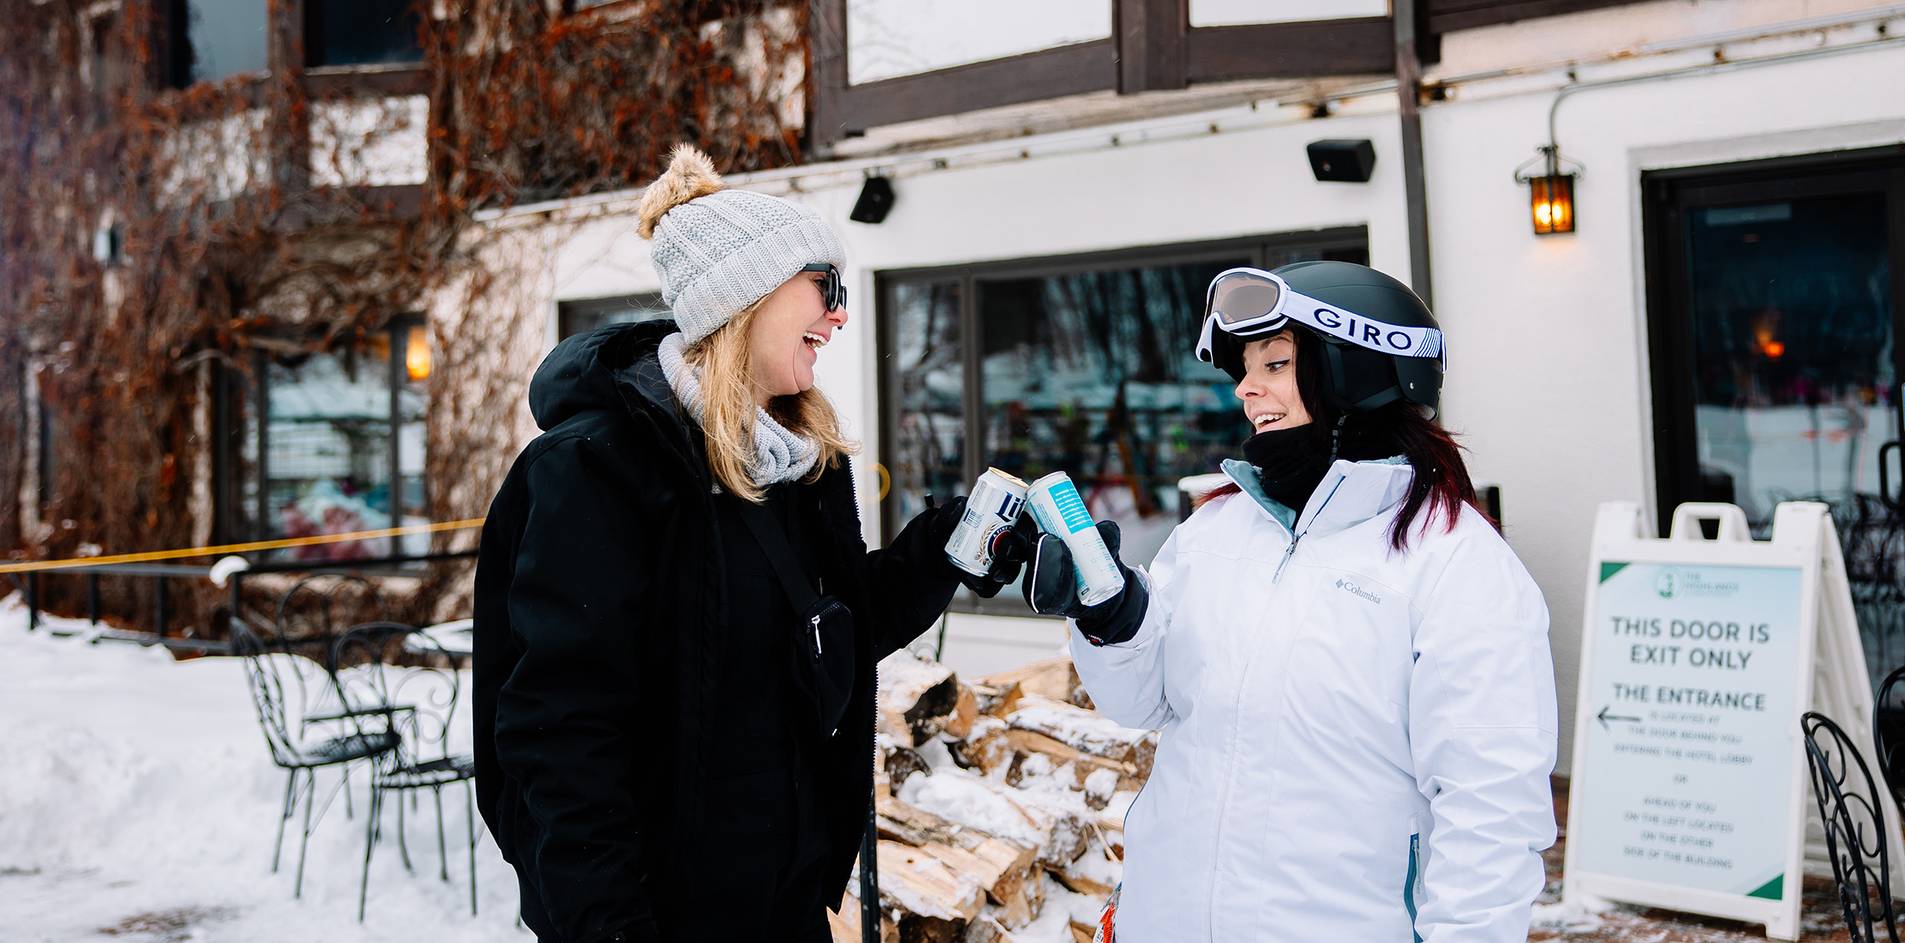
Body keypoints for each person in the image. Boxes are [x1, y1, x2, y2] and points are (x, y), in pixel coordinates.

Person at [471, 145, 1025, 942]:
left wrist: (943, 548)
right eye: (825, 287)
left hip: (784, 905)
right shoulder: (597, 471)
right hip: (661, 918)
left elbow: (827, 630)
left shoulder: (789, 460)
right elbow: (561, 738)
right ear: (749, 295)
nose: (839, 315)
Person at [1022, 261, 1558, 941]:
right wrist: (1112, 617)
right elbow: (1142, 702)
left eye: (1275, 362)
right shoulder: (1216, 532)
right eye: (1246, 367)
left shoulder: (1455, 564)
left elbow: (1491, 812)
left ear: (1357, 371)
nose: (1247, 388)